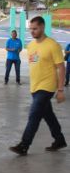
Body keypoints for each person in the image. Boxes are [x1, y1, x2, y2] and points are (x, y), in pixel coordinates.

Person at [9, 16, 67, 156]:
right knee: (48, 116)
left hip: (47, 87)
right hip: (34, 87)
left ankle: (24, 145)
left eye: (35, 29)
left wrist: (60, 89)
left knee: (34, 115)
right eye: (31, 29)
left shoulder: (53, 45)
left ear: (42, 27)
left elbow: (61, 68)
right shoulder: (31, 46)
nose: (32, 31)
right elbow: (35, 65)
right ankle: (59, 140)